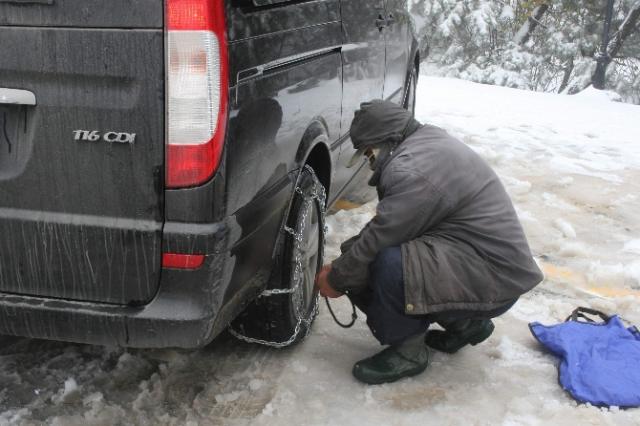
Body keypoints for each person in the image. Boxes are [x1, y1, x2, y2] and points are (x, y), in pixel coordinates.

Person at [315, 100, 544, 385]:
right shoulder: (427, 141)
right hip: (490, 269)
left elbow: (381, 238)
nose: (370, 161)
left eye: (370, 153)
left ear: (389, 140)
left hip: (491, 276)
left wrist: (337, 278)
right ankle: (465, 324)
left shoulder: (411, 170)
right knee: (358, 255)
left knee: (382, 263)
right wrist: (346, 262)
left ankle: (408, 351)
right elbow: (394, 226)